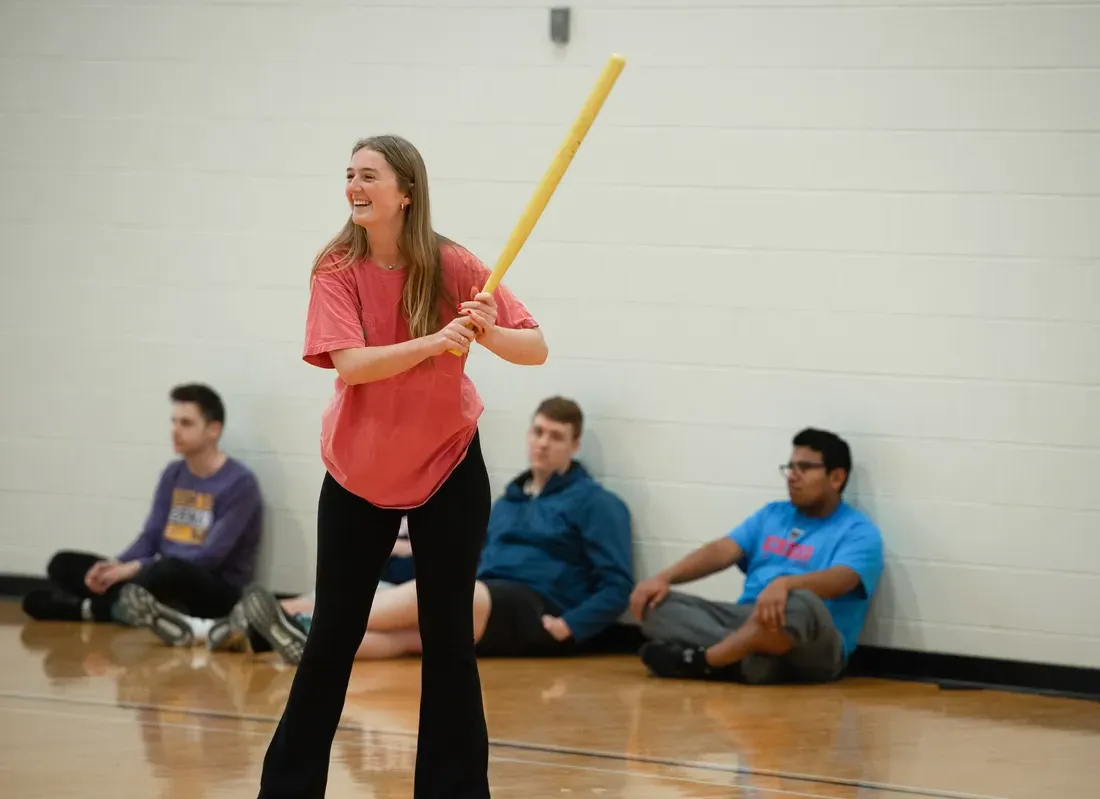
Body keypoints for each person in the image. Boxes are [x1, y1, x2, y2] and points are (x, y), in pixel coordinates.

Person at [255, 134, 547, 799]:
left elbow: (535, 346)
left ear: (405, 192)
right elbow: (351, 363)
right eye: (349, 175)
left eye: (369, 176)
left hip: (448, 464)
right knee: (332, 636)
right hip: (359, 471)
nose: (354, 186)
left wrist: (486, 332)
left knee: (449, 639)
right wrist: (433, 342)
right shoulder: (335, 268)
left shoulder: (452, 263)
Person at [181, 397, 632, 665]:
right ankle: (257, 632)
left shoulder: (598, 504)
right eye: (538, 432)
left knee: (452, 596)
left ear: (574, 444)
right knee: (402, 637)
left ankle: (297, 623)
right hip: (486, 598)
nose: (542, 442)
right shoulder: (509, 500)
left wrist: (572, 625)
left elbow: (617, 583)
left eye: (556, 436)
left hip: (534, 607)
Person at [630, 428, 884, 685]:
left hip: (811, 643)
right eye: (790, 467)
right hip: (749, 619)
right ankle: (747, 661)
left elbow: (842, 579)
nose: (792, 477)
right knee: (655, 605)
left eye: (804, 468)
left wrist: (785, 585)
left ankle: (706, 661)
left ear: (836, 478)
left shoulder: (859, 531)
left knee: (801, 603)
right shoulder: (772, 514)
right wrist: (663, 578)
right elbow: (722, 551)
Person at [21, 384, 263, 630]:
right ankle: (126, 606)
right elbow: (150, 536)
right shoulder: (173, 473)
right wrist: (117, 565)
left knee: (167, 570)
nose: (175, 431)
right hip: (153, 574)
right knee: (62, 563)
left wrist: (137, 567)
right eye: (174, 422)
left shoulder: (239, 483)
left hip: (210, 588)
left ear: (213, 430)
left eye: (186, 423)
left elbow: (209, 558)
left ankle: (91, 609)